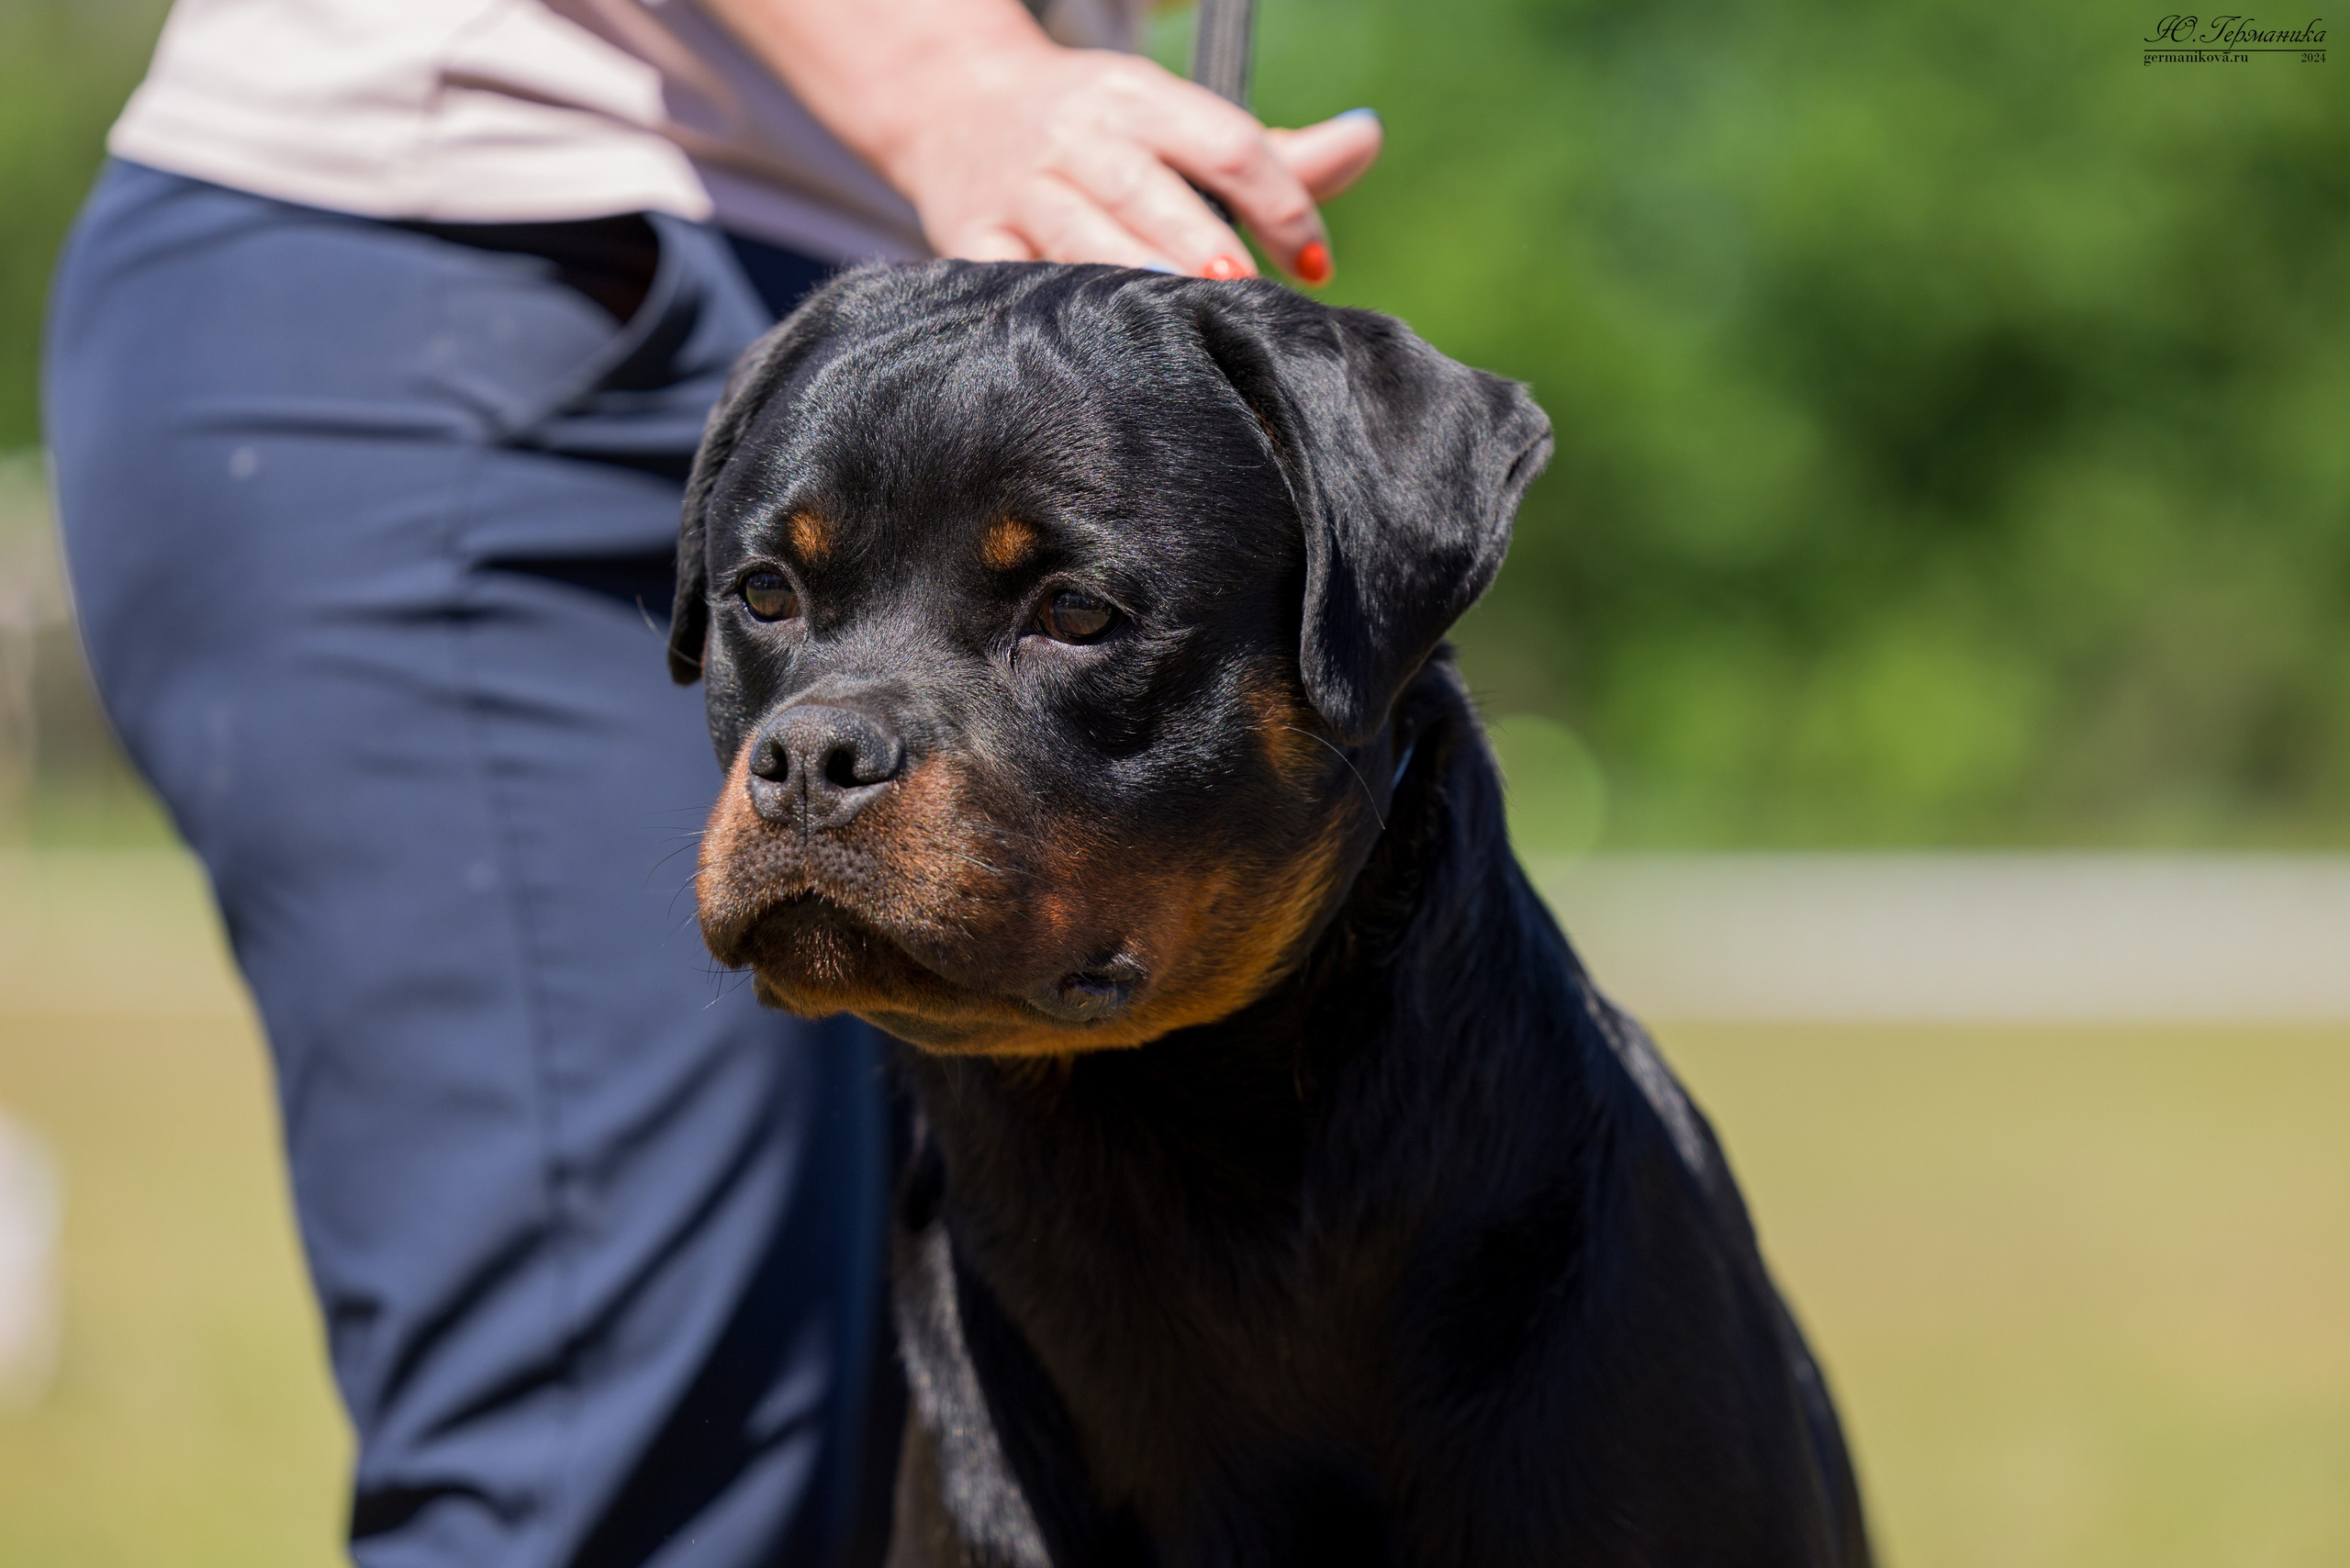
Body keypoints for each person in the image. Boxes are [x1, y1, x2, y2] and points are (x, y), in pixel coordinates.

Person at [40, 3, 1382, 1563]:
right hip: (478, 270)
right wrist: (948, 78)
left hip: (891, 321)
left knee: (912, 1459)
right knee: (629, 1457)